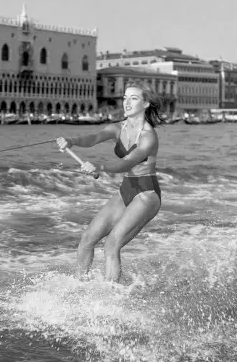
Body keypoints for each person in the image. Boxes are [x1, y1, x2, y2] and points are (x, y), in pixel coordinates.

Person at [56, 80, 165, 283]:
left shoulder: (148, 137)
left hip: (147, 193)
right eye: (125, 98)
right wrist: (72, 141)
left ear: (146, 103)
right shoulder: (117, 128)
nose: (127, 103)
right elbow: (93, 137)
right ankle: (79, 289)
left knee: (111, 244)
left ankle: (111, 298)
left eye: (133, 98)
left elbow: (127, 163)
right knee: (87, 239)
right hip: (127, 188)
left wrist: (100, 166)